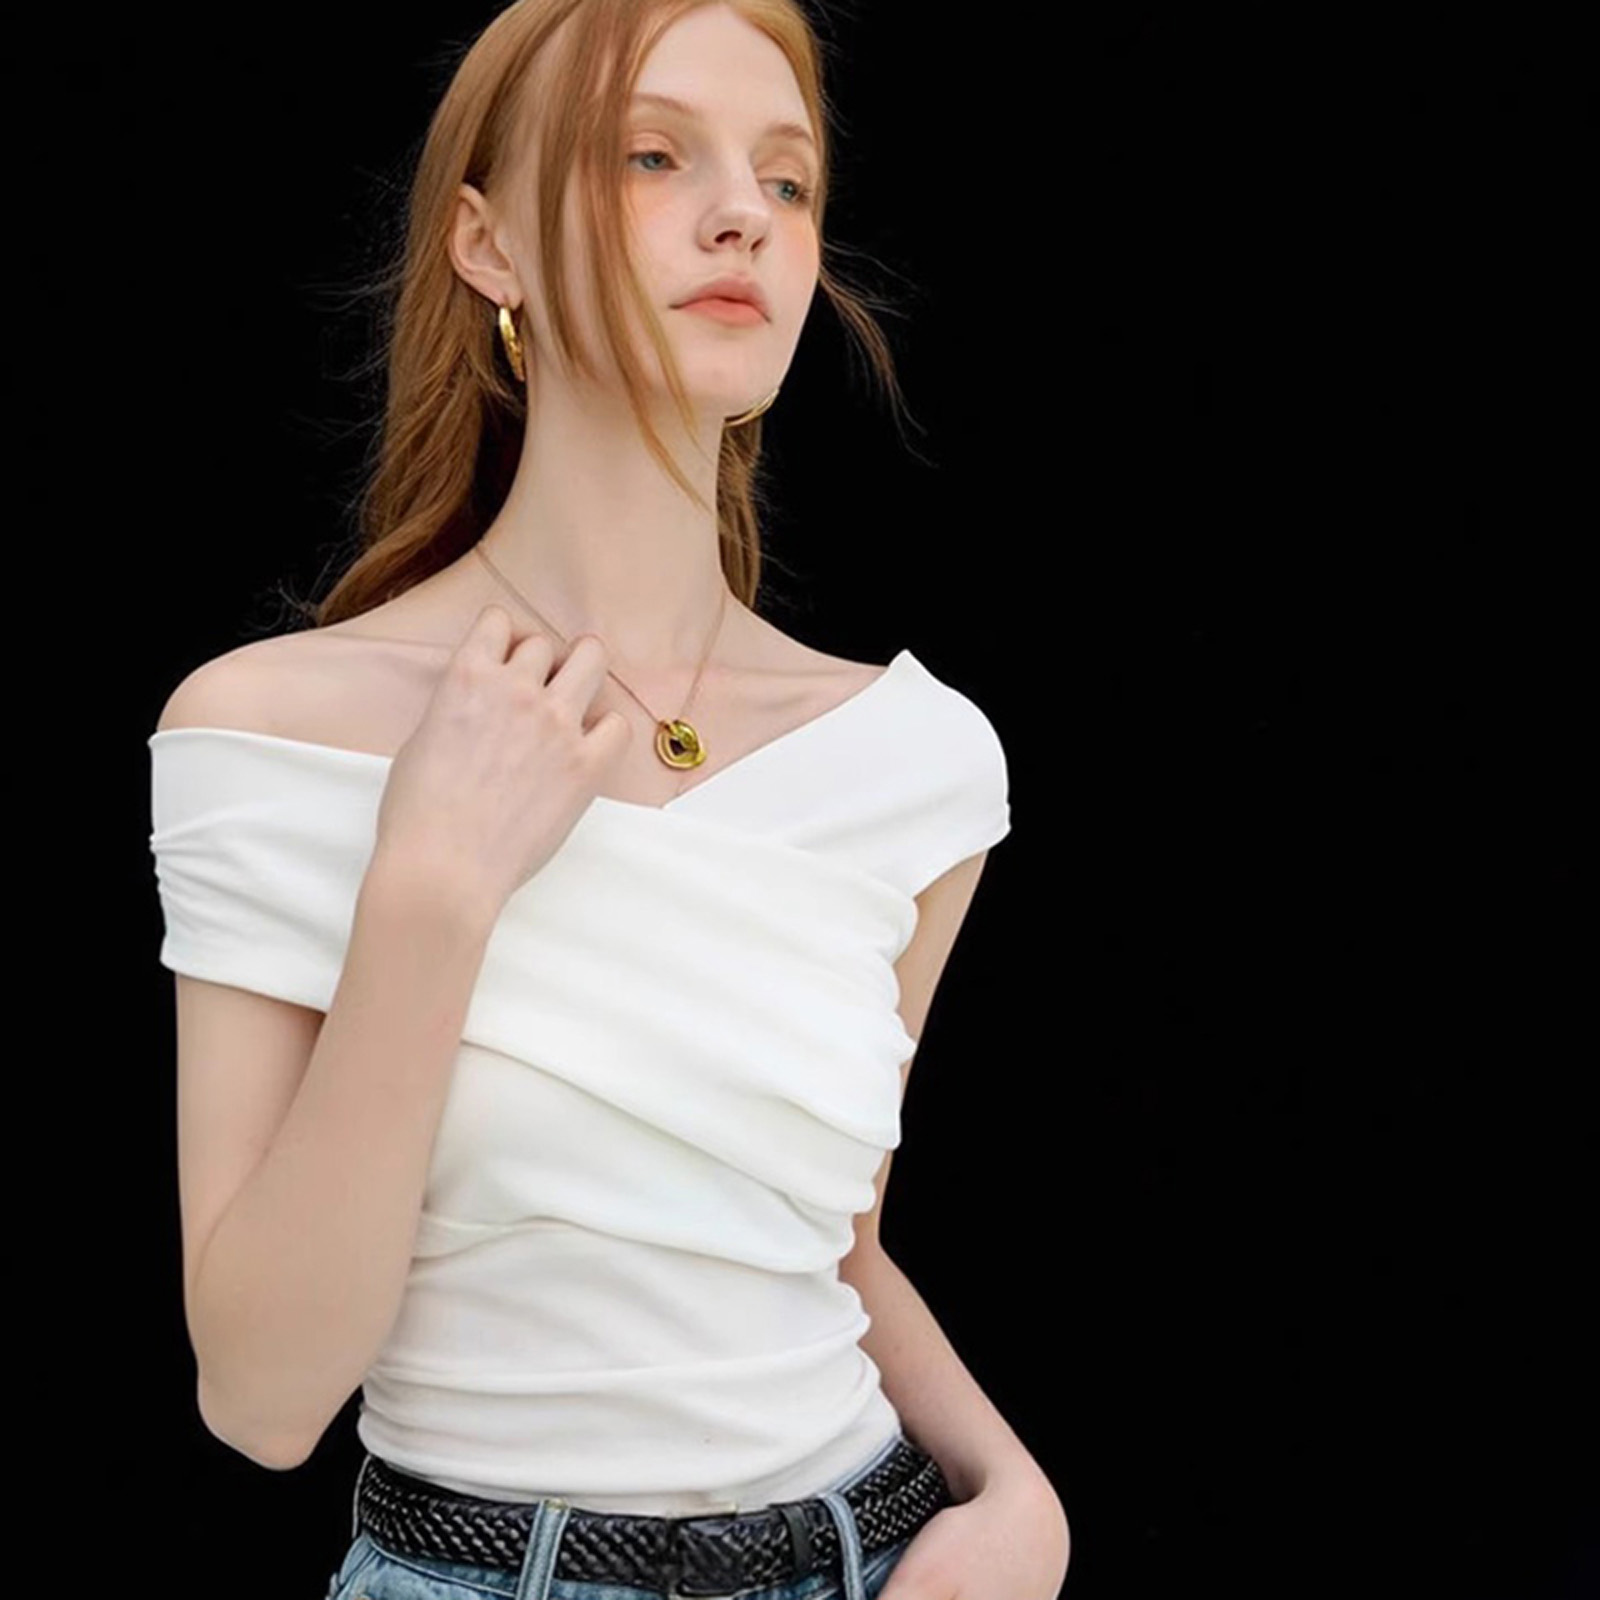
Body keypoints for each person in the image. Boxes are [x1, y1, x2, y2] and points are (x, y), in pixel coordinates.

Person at [145, 2, 1070, 1597]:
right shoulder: (270, 734)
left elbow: (827, 1243)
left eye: (787, 181)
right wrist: (433, 889)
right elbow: (264, 1399)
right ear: (486, 245)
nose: (741, 215)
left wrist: (1020, 1502)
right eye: (653, 156)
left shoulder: (918, 760)